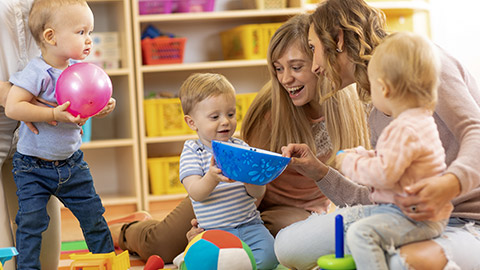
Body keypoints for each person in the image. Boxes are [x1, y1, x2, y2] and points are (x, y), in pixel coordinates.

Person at [108, 14, 371, 263]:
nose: (286, 79)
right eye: (278, 68)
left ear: (320, 64)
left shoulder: (351, 109)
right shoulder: (270, 108)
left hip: (292, 210)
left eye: (297, 67)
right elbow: (239, 170)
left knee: (276, 241)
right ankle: (125, 229)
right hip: (232, 195)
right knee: (161, 245)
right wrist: (212, 227)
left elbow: (351, 185)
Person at [275, 0, 480, 269]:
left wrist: (449, 184)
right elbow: (377, 195)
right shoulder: (377, 110)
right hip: (399, 215)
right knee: (290, 246)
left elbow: (475, 131)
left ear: (337, 39)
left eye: (314, 49)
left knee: (399, 263)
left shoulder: (420, 62)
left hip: (463, 220)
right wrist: (320, 173)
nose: (315, 65)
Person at [5, 0, 116, 268]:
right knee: (32, 224)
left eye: (90, 32)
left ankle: (110, 263)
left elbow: (82, 107)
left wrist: (101, 106)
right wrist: (53, 115)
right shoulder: (37, 72)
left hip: (72, 164)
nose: (89, 40)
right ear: (50, 37)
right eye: (81, 32)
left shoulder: (78, 71)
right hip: (32, 167)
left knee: (94, 216)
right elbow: (13, 106)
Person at [333, 32, 452, 270]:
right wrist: (360, 154)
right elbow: (392, 160)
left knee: (360, 234)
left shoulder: (405, 128)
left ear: (384, 89)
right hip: (415, 213)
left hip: (415, 218)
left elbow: (384, 174)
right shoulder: (419, 121)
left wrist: (348, 163)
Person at [175, 72, 278, 269]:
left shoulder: (241, 147)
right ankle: (187, 257)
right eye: (215, 117)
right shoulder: (192, 151)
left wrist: (253, 178)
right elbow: (196, 193)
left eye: (231, 114)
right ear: (192, 122)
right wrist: (212, 177)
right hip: (214, 233)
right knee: (211, 264)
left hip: (250, 226)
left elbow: (257, 193)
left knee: (270, 258)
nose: (225, 121)